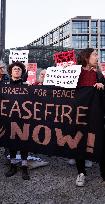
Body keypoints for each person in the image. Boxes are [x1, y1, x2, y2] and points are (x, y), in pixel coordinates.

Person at [74, 48, 105, 187]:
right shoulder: (75, 72)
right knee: (79, 141)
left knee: (99, 140)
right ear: (87, 57)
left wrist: (102, 86)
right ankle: (81, 173)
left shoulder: (98, 74)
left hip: (95, 115)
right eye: (94, 54)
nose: (97, 57)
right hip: (78, 114)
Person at [5, 61, 30, 180]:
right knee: (12, 141)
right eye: (15, 69)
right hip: (10, 117)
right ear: (11, 71)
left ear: (22, 72)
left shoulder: (27, 86)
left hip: (24, 117)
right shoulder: (4, 86)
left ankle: (24, 165)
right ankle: (13, 164)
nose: (17, 70)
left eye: (19, 69)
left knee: (24, 141)